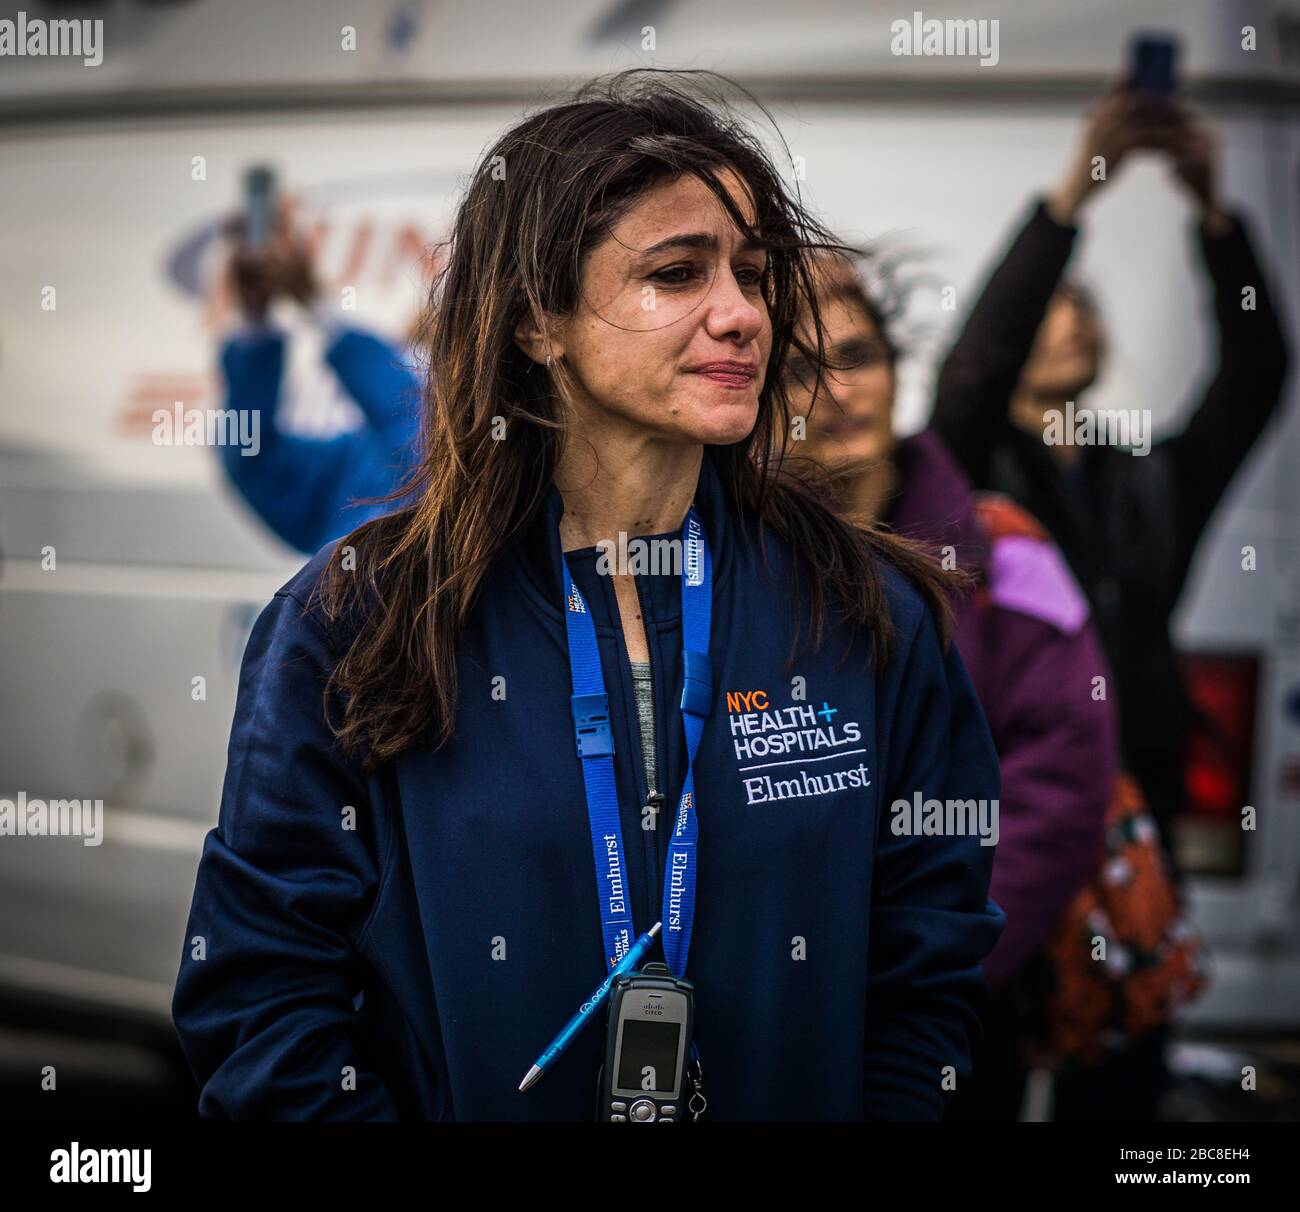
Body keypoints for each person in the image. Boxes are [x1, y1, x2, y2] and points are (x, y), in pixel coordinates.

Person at [171, 70, 1005, 1121]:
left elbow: (926, 975)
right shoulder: (354, 621)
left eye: (750, 274)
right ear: (537, 323)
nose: (741, 314)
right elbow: (260, 1003)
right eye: (675, 273)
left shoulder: (864, 609)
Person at [783, 252, 1117, 1119]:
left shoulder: (1008, 548)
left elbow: (1066, 778)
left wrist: (947, 963)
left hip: (959, 1009)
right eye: (798, 370)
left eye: (857, 358)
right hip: (780, 1011)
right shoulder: (734, 565)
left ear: (898, 373)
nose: (837, 392)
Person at [930, 86, 1290, 851]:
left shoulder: (1152, 475)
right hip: (1010, 788)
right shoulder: (966, 466)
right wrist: (1073, 196)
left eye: (1084, 307)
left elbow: (1257, 375)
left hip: (1142, 796)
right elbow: (973, 371)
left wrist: (1214, 216)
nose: (1070, 322)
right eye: (1049, 308)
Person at [216, 220, 423, 553]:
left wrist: (316, 305)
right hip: (332, 604)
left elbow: (415, 436)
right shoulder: (355, 462)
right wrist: (257, 321)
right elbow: (250, 456)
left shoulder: (483, 455)